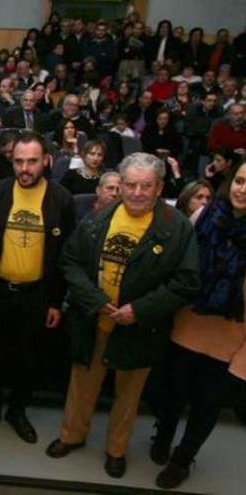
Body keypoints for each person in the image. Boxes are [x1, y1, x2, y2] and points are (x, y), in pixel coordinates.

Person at [46, 153, 200, 478]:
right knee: (81, 385)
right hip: (94, 319)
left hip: (140, 327)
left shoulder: (178, 227)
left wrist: (140, 310)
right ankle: (71, 436)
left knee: (128, 395)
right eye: (130, 184)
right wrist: (96, 300)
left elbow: (187, 282)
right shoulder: (98, 219)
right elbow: (69, 262)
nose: (137, 192)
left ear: (159, 188)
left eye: (146, 186)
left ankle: (116, 450)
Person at [0, 132, 75, 444]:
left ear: (46, 161)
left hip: (37, 295)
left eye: (32, 162)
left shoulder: (62, 199)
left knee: (29, 357)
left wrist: (57, 300)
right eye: (18, 161)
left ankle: (17, 410)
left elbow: (66, 254)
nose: (25, 168)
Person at [151, 160, 246, 488]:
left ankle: (182, 459)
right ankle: (162, 437)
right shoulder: (203, 217)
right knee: (171, 396)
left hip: (230, 343)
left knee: (206, 408)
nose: (242, 189)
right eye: (239, 180)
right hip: (185, 328)